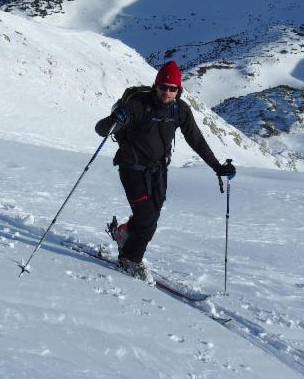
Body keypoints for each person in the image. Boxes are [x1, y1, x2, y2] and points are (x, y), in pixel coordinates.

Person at [95, 60, 236, 280]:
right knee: (148, 216)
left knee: (152, 214)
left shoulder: (180, 109)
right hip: (131, 167)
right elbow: (101, 129)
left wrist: (217, 167)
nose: (167, 93)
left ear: (179, 90)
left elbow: (196, 140)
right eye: (163, 87)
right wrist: (117, 118)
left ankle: (124, 234)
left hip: (158, 169)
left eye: (173, 89)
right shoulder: (138, 105)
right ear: (156, 85)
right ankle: (130, 259)